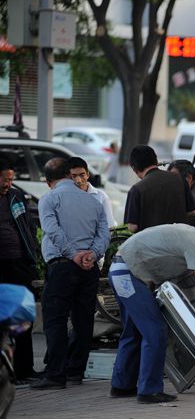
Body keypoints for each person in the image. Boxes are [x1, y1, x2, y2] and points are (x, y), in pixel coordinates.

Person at [107, 218, 195, 403]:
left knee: (134, 332)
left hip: (120, 270)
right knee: (156, 331)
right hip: (129, 275)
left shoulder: (191, 235)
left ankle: (121, 386)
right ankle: (149, 391)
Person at [30, 158, 109, 390]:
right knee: (83, 320)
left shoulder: (49, 199)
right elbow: (104, 234)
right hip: (89, 268)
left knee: (55, 320)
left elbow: (51, 230)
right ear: (69, 175)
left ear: (51, 180)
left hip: (63, 265)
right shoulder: (94, 201)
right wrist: (92, 255)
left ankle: (55, 374)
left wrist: (74, 254)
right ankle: (75, 371)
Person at [0, 158, 39, 383]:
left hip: (18, 264)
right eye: (6, 179)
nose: (9, 184)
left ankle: (25, 369)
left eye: (11, 179)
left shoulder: (15, 196)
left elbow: (28, 225)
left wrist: (31, 249)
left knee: (23, 316)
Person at [123, 145, 195, 232]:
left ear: (134, 169)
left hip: (151, 244)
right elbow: (193, 212)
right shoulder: (179, 179)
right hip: (180, 239)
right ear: (156, 161)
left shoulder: (136, 190)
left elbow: (132, 227)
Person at [67, 156, 117, 227]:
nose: (78, 180)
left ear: (88, 175)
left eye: (82, 175)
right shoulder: (63, 197)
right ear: (68, 177)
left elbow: (109, 226)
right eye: (74, 176)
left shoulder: (101, 197)